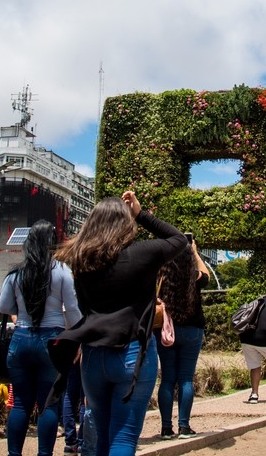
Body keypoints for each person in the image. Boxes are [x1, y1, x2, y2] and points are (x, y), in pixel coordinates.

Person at [54, 191, 187, 456]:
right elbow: (179, 240)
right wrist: (141, 214)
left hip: (92, 355)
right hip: (132, 353)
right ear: (126, 223)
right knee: (123, 438)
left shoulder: (81, 260)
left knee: (100, 438)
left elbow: (82, 308)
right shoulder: (142, 254)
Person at [0, 220, 82, 456]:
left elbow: (5, 306)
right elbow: (73, 310)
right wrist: (77, 338)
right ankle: (44, 453)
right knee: (49, 404)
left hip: (22, 338)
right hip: (52, 342)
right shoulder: (61, 271)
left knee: (20, 405)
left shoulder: (15, 273)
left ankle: (14, 453)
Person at [156, 234, 210, 440]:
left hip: (166, 330)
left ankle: (166, 428)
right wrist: (194, 252)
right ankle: (184, 427)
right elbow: (207, 275)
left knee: (168, 379)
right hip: (192, 330)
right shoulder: (194, 275)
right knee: (186, 379)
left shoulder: (162, 274)